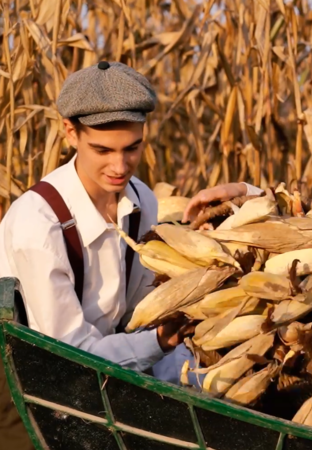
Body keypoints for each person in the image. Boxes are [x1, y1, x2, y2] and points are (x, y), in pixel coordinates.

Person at [0, 61, 260, 449]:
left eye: (132, 148)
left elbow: (140, 314)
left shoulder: (140, 200)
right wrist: (159, 341)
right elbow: (70, 356)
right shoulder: (38, 224)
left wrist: (205, 381)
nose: (120, 167)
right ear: (70, 132)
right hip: (27, 394)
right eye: (102, 150)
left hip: (102, 379)